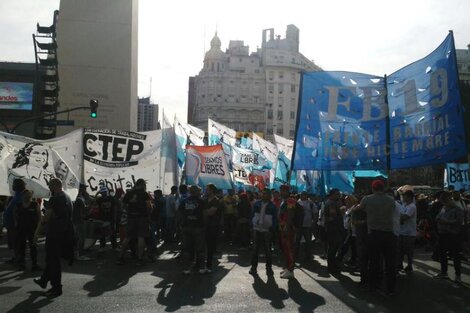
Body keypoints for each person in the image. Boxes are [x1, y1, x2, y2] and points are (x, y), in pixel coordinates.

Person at [355, 180, 397, 295]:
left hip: (374, 234)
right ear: (383, 188)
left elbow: (359, 209)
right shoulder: (391, 199)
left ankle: (373, 286)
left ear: (373, 188)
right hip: (389, 234)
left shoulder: (367, 199)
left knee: (374, 262)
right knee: (390, 263)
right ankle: (391, 288)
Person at [33, 178, 73, 297]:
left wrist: (36, 234)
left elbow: (46, 218)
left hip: (55, 234)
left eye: (50, 186)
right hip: (65, 233)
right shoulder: (67, 197)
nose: (49, 188)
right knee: (51, 259)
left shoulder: (55, 198)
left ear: (54, 186)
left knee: (53, 261)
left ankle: (56, 288)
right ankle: (44, 280)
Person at [117, 179, 153, 265]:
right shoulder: (145, 194)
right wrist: (149, 212)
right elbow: (149, 206)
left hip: (131, 218)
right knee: (141, 237)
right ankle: (139, 259)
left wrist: (129, 211)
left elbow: (123, 205)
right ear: (142, 184)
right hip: (142, 218)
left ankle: (121, 257)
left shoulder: (129, 193)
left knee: (127, 237)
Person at [434, 191, 464, 282]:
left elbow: (459, 222)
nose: (444, 204)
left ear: (448, 199)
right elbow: (438, 217)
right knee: (442, 254)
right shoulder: (444, 207)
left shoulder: (458, 209)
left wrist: (446, 222)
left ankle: (458, 276)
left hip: (453, 235)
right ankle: (444, 272)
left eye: (444, 201)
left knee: (455, 256)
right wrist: (439, 220)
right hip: (442, 234)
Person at [178, 185, 206, 275]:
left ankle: (187, 269)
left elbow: (179, 214)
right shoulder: (202, 201)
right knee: (200, 249)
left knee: (186, 249)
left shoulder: (184, 201)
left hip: (186, 227)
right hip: (198, 227)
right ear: (198, 192)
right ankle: (201, 268)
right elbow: (205, 215)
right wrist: (205, 225)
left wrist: (180, 225)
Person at [249, 188, 278, 276]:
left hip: (267, 231)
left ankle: (269, 268)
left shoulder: (273, 206)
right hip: (256, 229)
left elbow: (274, 219)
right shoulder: (256, 204)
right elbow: (252, 215)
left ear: (269, 195)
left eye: (266, 194)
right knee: (255, 250)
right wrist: (251, 226)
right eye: (263, 193)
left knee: (268, 250)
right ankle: (253, 268)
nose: (264, 195)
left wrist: (272, 230)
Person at [15, 189, 41, 271]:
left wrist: (38, 228)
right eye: (26, 195)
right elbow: (14, 213)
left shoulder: (35, 204)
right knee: (21, 246)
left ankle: (34, 264)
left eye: (29, 195)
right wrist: (16, 222)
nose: (28, 197)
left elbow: (40, 217)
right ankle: (21, 264)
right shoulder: (18, 205)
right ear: (23, 196)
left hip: (32, 229)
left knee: (33, 246)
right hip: (21, 229)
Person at [3, 178, 26, 264]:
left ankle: (19, 259)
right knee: (14, 242)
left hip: (14, 224)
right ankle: (16, 257)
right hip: (11, 224)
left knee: (17, 242)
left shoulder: (20, 196)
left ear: (17, 186)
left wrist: (16, 223)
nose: (12, 185)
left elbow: (17, 212)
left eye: (13, 184)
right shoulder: (16, 195)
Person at [278, 185, 298, 279]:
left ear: (287, 191)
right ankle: (287, 268)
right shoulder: (283, 201)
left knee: (289, 248)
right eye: (281, 190)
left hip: (288, 228)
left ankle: (290, 270)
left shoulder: (290, 200)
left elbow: (290, 214)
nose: (281, 192)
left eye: (283, 190)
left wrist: (287, 226)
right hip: (283, 227)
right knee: (285, 249)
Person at [324, 189, 344, 273]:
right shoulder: (331, 203)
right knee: (332, 248)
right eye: (336, 194)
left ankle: (332, 265)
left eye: (339, 194)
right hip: (333, 229)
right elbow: (333, 216)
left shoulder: (333, 203)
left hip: (334, 228)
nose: (338, 196)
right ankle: (331, 267)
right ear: (332, 195)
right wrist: (341, 212)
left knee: (333, 248)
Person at [204, 183, 223, 273]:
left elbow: (210, 213)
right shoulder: (205, 200)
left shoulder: (216, 201)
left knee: (210, 246)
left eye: (207, 189)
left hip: (213, 226)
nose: (206, 190)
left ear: (211, 190)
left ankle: (209, 265)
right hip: (205, 226)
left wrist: (203, 210)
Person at [398, 190, 417, 272]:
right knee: (400, 250)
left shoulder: (412, 206)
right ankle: (400, 264)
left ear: (409, 197)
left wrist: (398, 216)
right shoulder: (404, 205)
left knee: (409, 251)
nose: (403, 197)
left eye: (404, 196)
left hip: (409, 232)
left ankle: (409, 265)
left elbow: (404, 217)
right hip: (401, 231)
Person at [296, 191, 317, 262]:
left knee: (308, 241)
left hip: (308, 225)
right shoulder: (297, 203)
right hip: (299, 225)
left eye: (304, 195)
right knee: (297, 241)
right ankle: (296, 255)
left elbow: (315, 213)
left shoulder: (311, 203)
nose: (303, 196)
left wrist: (314, 222)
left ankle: (308, 255)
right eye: (302, 195)